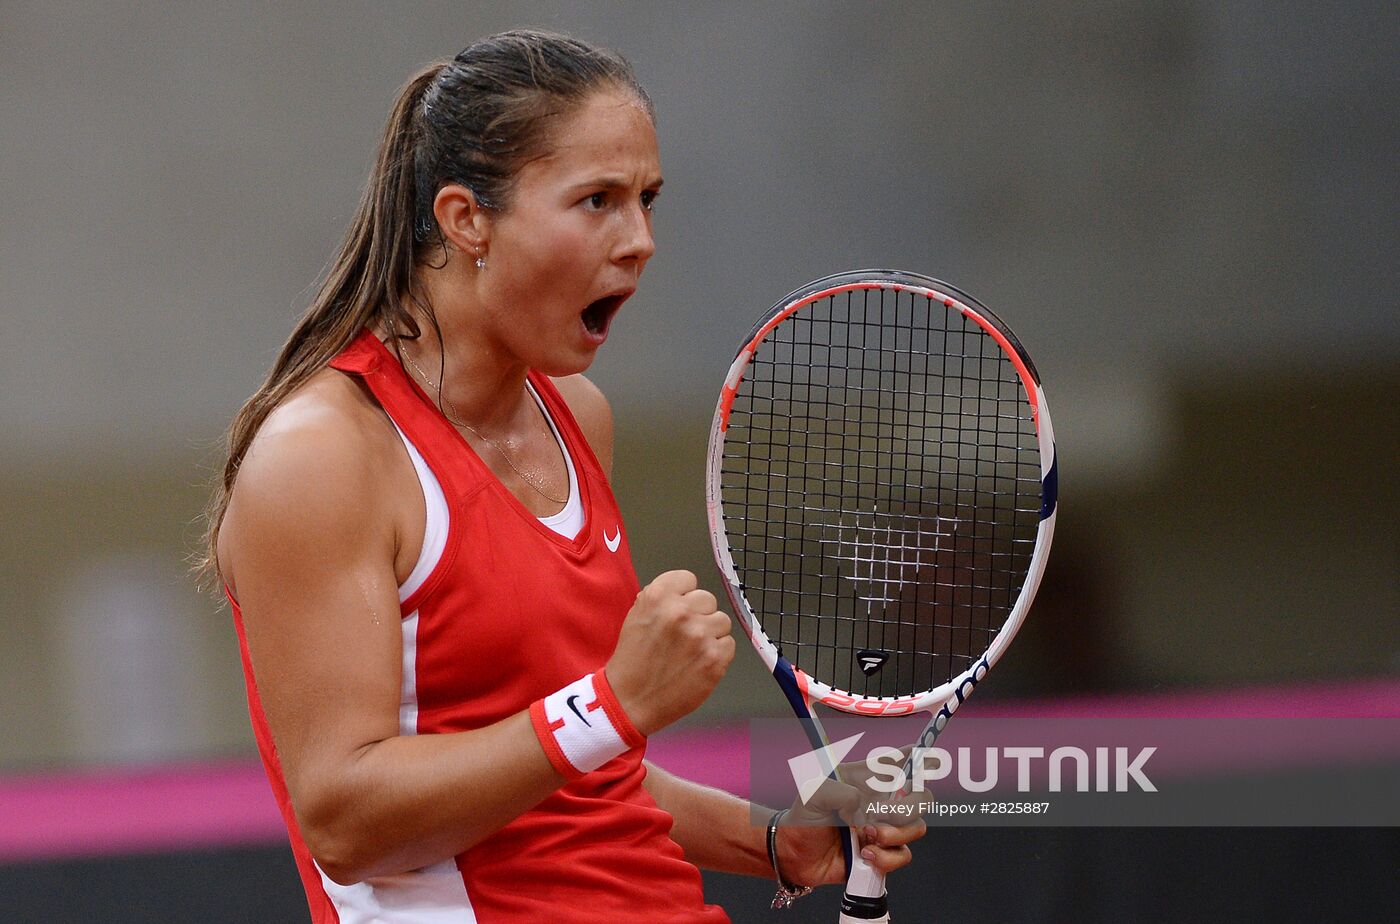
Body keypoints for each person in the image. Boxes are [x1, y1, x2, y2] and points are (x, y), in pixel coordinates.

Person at [200, 30, 924, 923]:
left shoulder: (577, 416)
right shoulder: (322, 456)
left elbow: (573, 773)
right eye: (597, 201)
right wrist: (611, 702)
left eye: (648, 200)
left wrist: (771, 840)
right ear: (467, 220)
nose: (642, 241)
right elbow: (348, 824)